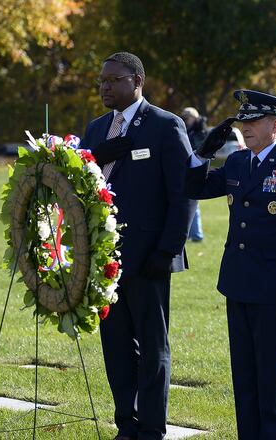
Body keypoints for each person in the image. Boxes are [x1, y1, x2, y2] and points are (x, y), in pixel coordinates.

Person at [184, 90, 276, 440]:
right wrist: (201, 152)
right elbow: (193, 187)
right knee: (245, 378)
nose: (246, 127)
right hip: (238, 283)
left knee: (272, 378)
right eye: (243, 121)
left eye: (254, 121)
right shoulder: (237, 161)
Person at [80, 52, 195, 440]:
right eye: (101, 81)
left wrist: (169, 250)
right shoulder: (96, 130)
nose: (105, 87)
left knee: (151, 346)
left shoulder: (165, 125)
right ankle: (125, 424)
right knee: (115, 347)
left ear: (137, 81)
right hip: (105, 260)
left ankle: (151, 427)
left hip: (149, 259)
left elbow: (184, 193)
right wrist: (91, 157)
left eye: (113, 80)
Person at [180, 107, 209, 242]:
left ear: (194, 118)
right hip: (190, 168)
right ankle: (194, 234)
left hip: (195, 169)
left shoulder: (199, 131)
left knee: (193, 202)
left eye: (187, 118)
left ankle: (196, 234)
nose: (186, 121)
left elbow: (197, 150)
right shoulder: (192, 130)